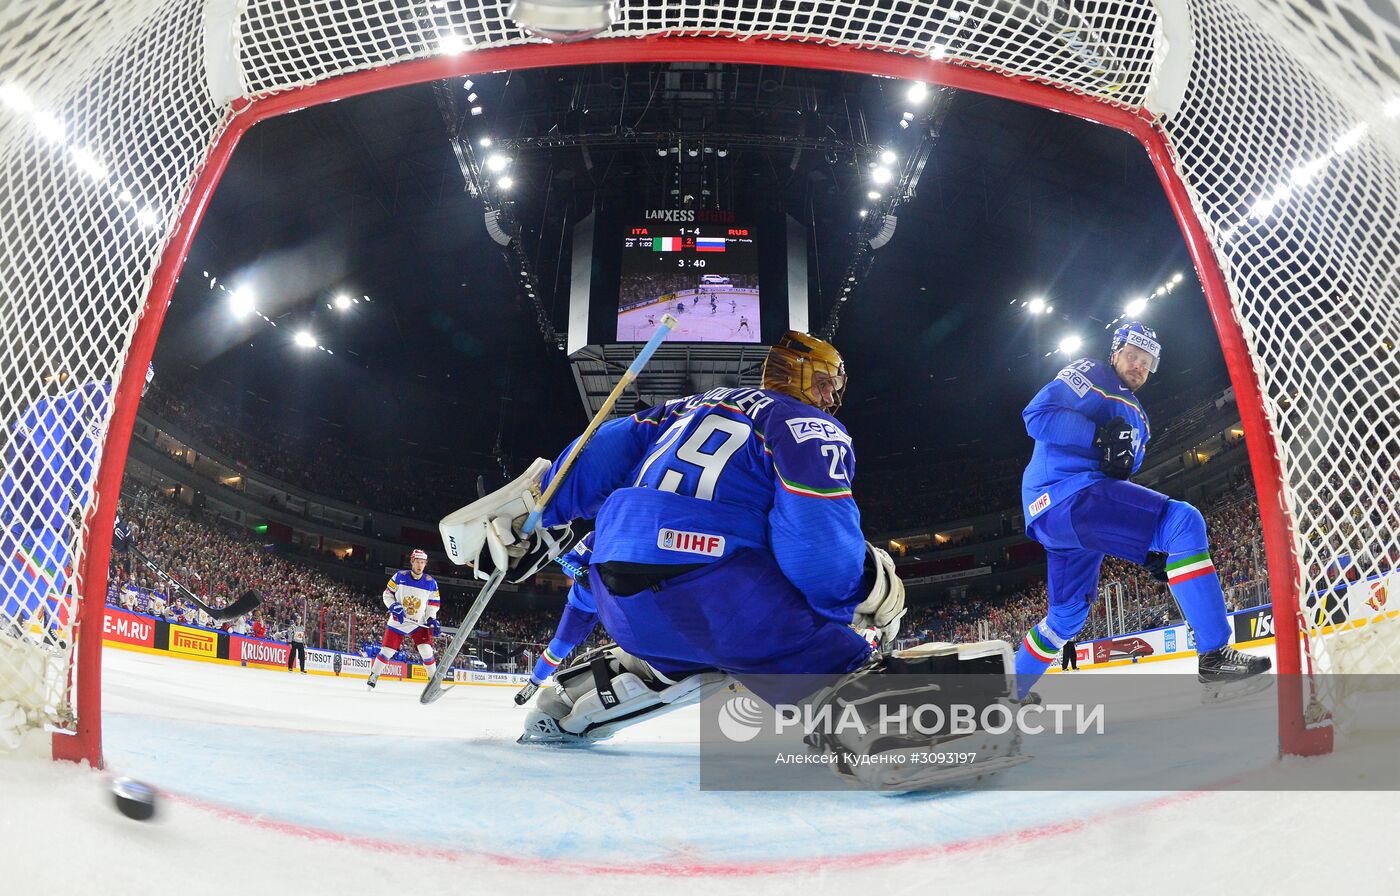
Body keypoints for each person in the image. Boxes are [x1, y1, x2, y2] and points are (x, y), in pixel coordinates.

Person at [448, 332, 1021, 786]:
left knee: (697, 654)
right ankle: (897, 728)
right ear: (798, 376)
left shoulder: (681, 409)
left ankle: (573, 703)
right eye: (824, 383)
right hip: (718, 587)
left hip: (616, 586)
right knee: (807, 645)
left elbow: (592, 459)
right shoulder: (806, 425)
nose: (830, 398)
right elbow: (815, 550)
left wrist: (531, 522)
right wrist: (865, 587)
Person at [1013, 322, 1270, 698]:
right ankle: (1214, 655)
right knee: (1183, 521)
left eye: (1146, 362)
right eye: (1132, 355)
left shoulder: (1142, 422)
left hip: (1060, 517)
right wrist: (1097, 436)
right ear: (1114, 352)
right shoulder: (1093, 373)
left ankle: (1010, 691)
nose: (1138, 365)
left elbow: (1117, 477)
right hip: (1067, 494)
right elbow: (1038, 415)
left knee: (1066, 617)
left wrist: (1150, 550)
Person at [513, 532, 599, 706]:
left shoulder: (644, 535)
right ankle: (534, 682)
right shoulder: (594, 537)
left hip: (616, 606)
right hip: (581, 603)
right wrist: (579, 573)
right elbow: (568, 561)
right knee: (560, 647)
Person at [367, 549, 441, 689]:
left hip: (419, 622)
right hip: (398, 620)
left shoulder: (431, 582)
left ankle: (433, 681)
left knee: (426, 650)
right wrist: (394, 606)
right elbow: (387, 594)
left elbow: (433, 604)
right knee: (387, 651)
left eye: (423, 562)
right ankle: (374, 676)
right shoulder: (399, 576)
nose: (420, 565)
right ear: (412, 561)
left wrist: (432, 619)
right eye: (418, 561)